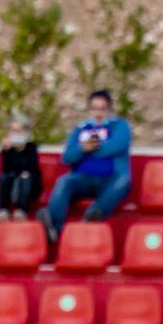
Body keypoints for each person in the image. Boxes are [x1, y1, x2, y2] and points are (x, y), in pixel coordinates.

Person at [36, 89, 132, 244]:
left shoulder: (120, 125)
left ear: (109, 109)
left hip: (109, 179)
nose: (98, 113)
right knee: (64, 182)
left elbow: (117, 146)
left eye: (102, 109)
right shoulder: (81, 128)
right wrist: (82, 149)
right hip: (83, 179)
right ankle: (52, 227)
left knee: (124, 181)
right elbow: (67, 157)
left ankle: (95, 213)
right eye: (94, 108)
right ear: (89, 110)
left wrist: (91, 149)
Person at [0, 116, 42, 222]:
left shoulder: (31, 147)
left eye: (18, 131)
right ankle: (3, 210)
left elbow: (30, 167)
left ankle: (21, 210)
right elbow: (6, 168)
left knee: (25, 176)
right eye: (13, 131)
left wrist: (21, 148)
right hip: (12, 183)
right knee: (5, 177)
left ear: (25, 132)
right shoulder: (7, 149)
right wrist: (7, 150)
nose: (15, 134)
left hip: (30, 185)